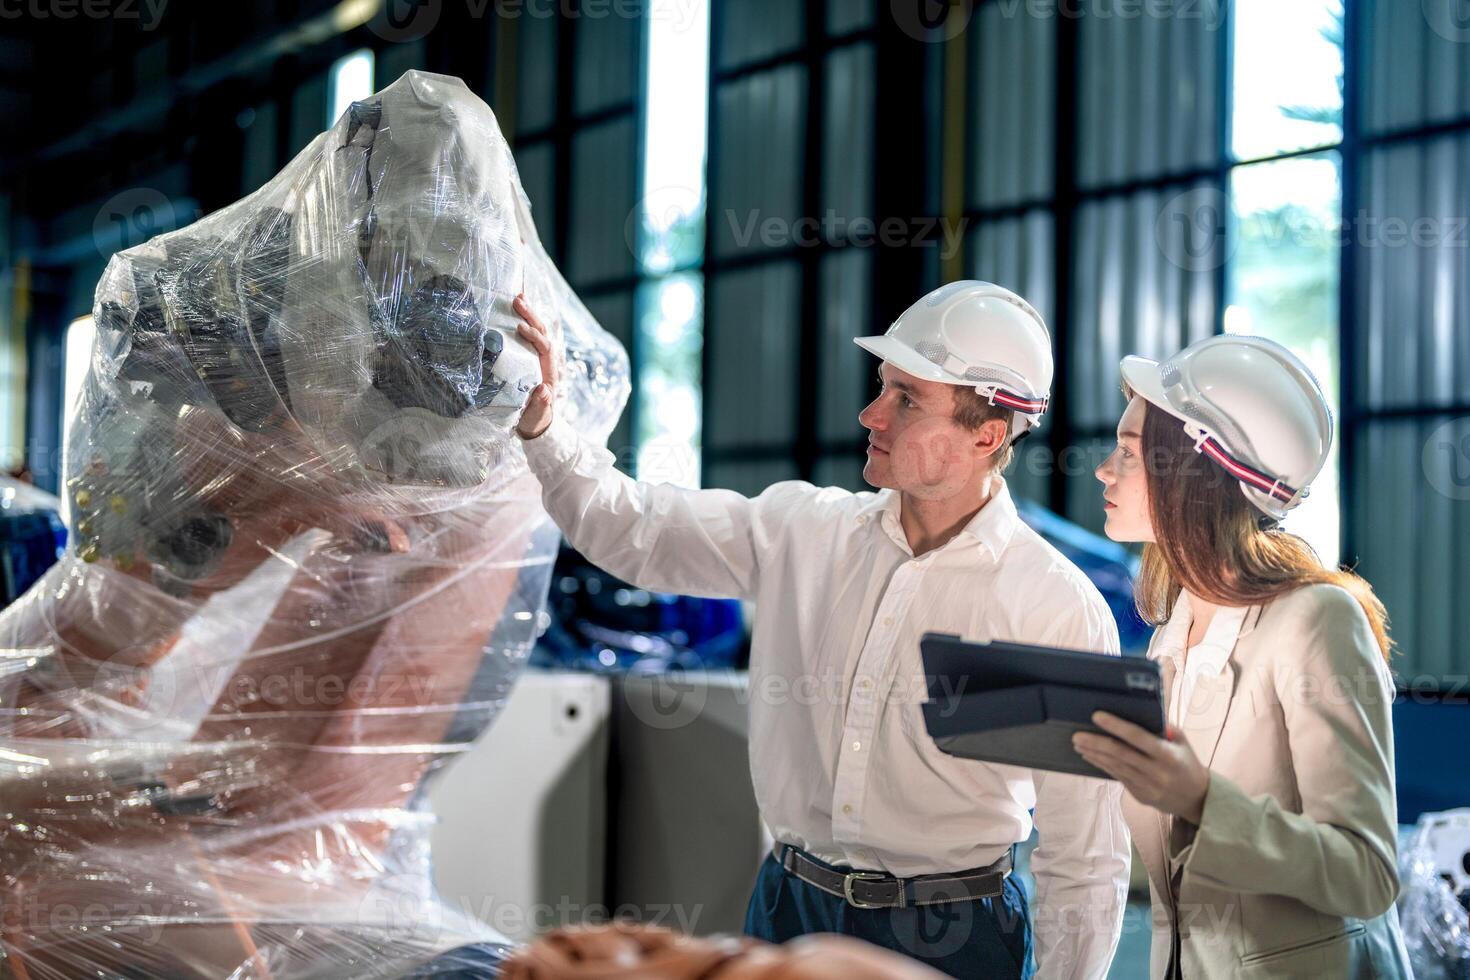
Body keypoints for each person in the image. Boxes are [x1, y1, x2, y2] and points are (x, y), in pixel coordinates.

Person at [512, 281, 1129, 980]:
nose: (871, 414)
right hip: (788, 908)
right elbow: (637, 532)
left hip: (958, 933)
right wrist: (545, 429)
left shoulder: (1055, 607)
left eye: (906, 400)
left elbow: (1086, 851)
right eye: (882, 386)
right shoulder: (803, 532)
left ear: (986, 434)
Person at [1079, 334, 1414, 978]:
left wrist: (1204, 799)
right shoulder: (1172, 636)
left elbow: (1368, 874)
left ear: (1194, 471)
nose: (1103, 470)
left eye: (1127, 452)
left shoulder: (1315, 620)